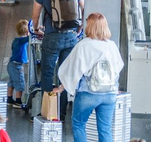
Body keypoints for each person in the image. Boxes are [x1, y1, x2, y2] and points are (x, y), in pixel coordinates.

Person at [54, 13, 125, 142]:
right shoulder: (111, 45)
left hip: (88, 92)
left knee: (79, 124)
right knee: (105, 129)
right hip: (110, 93)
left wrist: (61, 88)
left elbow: (72, 69)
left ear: (90, 26)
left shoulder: (83, 45)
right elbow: (119, 67)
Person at [32, 0, 85, 93]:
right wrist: (80, 28)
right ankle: (61, 109)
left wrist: (37, 29)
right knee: (65, 74)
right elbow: (84, 9)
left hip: (52, 37)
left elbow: (36, 14)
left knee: (47, 72)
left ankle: (48, 109)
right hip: (71, 36)